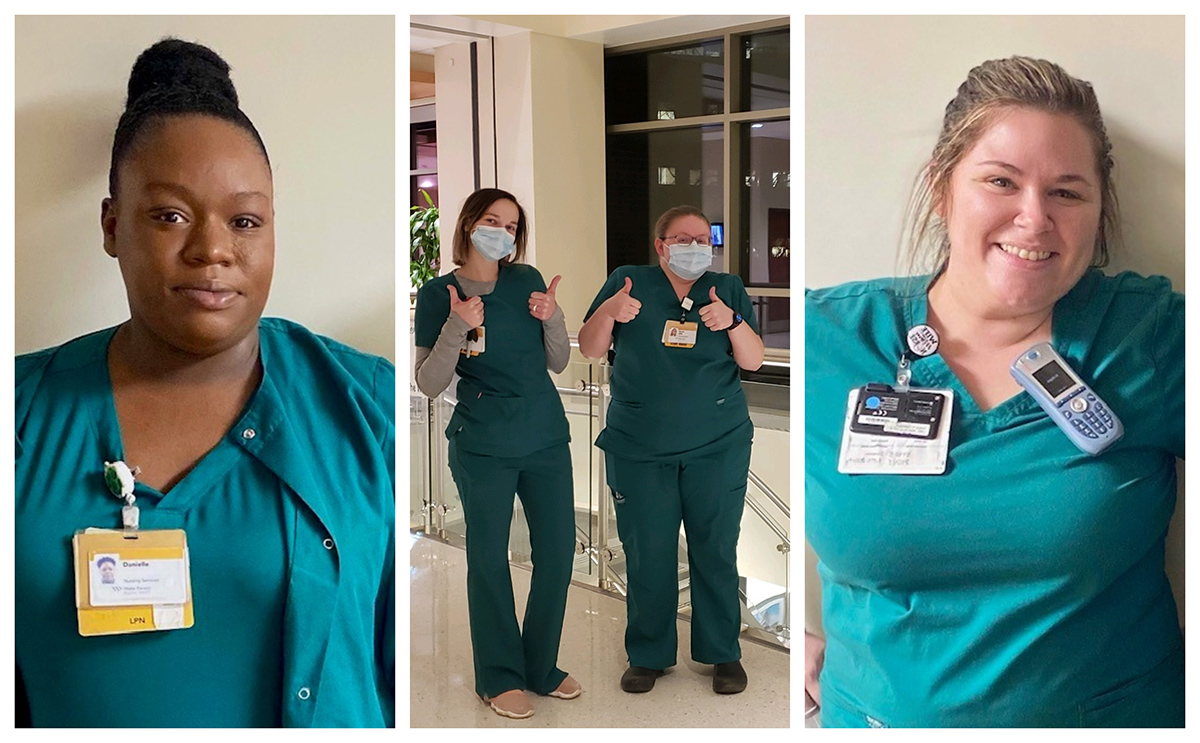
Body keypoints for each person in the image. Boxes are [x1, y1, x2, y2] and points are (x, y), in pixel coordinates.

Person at [14, 39, 395, 728]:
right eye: (170, 215)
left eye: (244, 220)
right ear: (111, 224)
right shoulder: (21, 414)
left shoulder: (365, 407)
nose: (212, 249)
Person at [805, 57, 1184, 727]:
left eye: (1067, 192)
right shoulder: (829, 338)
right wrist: (791, 629)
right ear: (941, 188)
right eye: (1000, 181)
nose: (1034, 218)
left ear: (1100, 208)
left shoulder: (1148, 338)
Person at [578, 205, 764, 695]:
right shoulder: (628, 281)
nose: (695, 247)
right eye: (682, 238)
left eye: (703, 239)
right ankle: (648, 654)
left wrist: (732, 321)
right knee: (647, 552)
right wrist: (608, 313)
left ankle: (723, 652)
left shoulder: (726, 289)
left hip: (717, 444)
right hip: (640, 446)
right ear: (661, 246)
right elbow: (591, 347)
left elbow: (755, 359)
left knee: (715, 549)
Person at [413, 187, 579, 720]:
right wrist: (458, 324)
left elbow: (557, 363)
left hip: (545, 434)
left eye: (511, 226)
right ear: (467, 224)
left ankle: (540, 666)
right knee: (489, 559)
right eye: (493, 221)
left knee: (556, 553)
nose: (503, 233)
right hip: (484, 440)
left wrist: (553, 317)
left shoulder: (527, 281)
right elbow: (429, 383)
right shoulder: (439, 293)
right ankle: (498, 676)